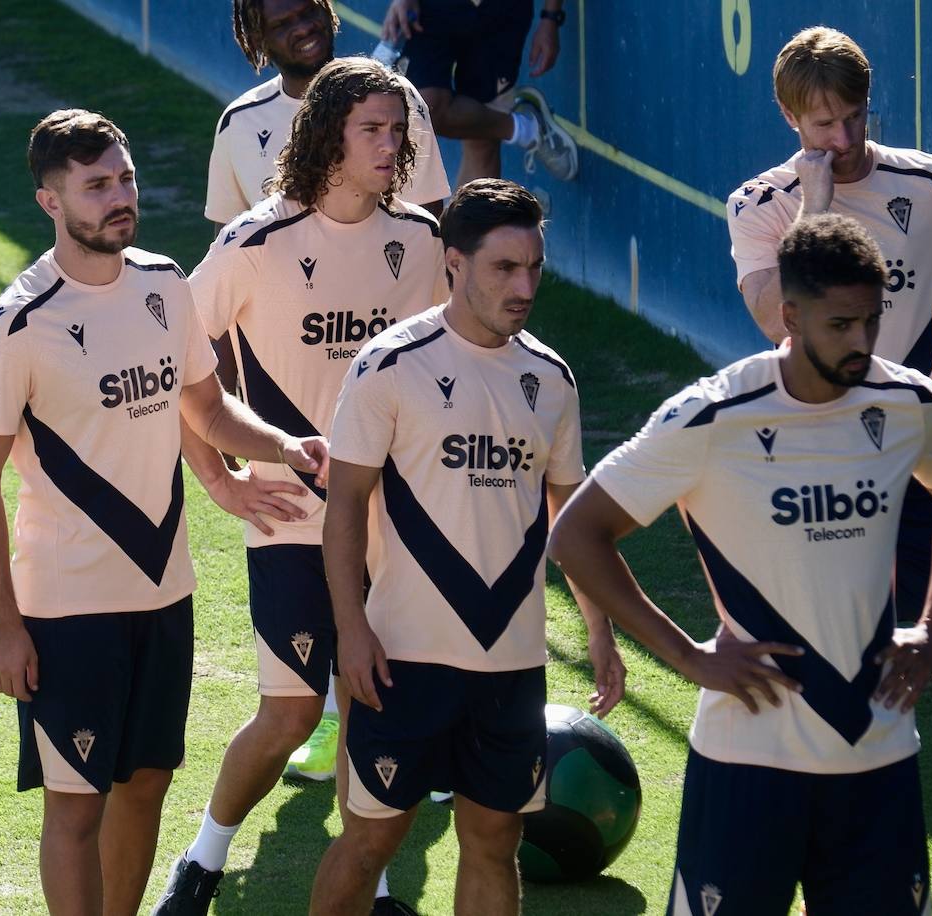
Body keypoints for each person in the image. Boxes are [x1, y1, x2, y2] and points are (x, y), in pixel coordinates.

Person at [551, 214, 932, 914]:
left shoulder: (906, 402)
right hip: (748, 760)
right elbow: (577, 534)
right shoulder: (712, 416)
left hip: (876, 755)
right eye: (839, 324)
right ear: (789, 315)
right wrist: (687, 657)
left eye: (871, 322)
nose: (861, 343)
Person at [0, 108, 328, 916]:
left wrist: (286, 446)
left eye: (124, 178)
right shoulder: (20, 321)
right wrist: (6, 624)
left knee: (149, 782)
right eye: (96, 185)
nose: (120, 196)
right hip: (67, 603)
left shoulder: (164, 283)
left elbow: (210, 410)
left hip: (166, 590)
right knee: (77, 801)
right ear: (50, 201)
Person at [154, 56, 448, 916]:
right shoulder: (253, 243)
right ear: (327, 136)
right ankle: (204, 860)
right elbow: (179, 363)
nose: (393, 148)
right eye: (375, 131)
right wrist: (217, 477)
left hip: (395, 526)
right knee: (288, 718)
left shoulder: (421, 242)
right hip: (290, 518)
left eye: (398, 132)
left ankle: (380, 883)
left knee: (375, 703)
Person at [725, 26, 932, 903]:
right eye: (821, 126)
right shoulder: (761, 203)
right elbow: (776, 320)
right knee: (794, 666)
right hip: (798, 471)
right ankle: (784, 855)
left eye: (852, 120)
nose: (840, 142)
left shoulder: (930, 184)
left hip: (915, 467)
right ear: (786, 116)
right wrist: (813, 212)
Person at [308, 179, 625, 916]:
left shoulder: (551, 380)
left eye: (535, 268)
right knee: (369, 844)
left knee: (493, 843)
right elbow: (345, 504)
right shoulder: (389, 364)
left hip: (509, 665)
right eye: (504, 269)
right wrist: (350, 630)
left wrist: (599, 632)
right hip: (401, 659)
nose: (524, 287)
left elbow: (569, 520)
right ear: (455, 262)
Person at [207, 0, 449, 227]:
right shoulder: (238, 122)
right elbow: (228, 239)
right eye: (283, 24)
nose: (303, 28)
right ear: (258, 39)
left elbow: (427, 220)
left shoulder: (394, 97)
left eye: (309, 11)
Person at [380, 0, 578, 187]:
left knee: (482, 142)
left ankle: (465, 223)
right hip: (434, 8)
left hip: (501, 12)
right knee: (419, 109)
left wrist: (550, 18)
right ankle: (527, 129)